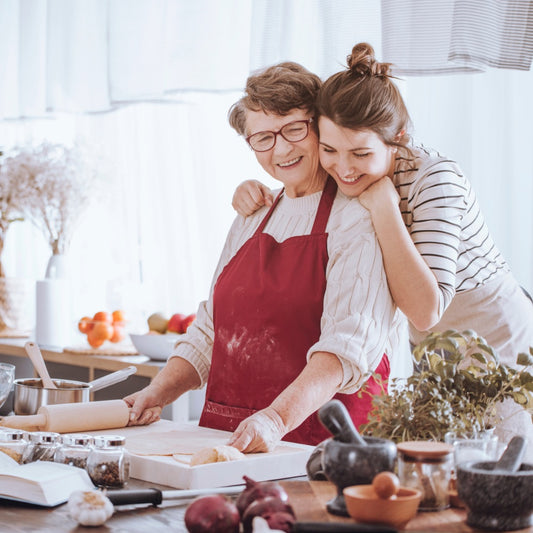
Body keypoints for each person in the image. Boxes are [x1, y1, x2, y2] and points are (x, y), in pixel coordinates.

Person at [232, 43, 533, 453]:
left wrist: (385, 206)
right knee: (437, 469)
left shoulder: (436, 179)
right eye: (330, 150)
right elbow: (301, 185)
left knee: (500, 469)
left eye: (361, 153)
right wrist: (253, 191)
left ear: (399, 139)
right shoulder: (347, 169)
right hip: (430, 347)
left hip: (494, 333)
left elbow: (426, 310)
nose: (343, 167)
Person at [124, 61, 397, 453]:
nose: (281, 149)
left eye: (294, 129)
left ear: (320, 125)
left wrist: (275, 418)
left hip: (319, 448)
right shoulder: (253, 214)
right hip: (228, 441)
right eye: (263, 138)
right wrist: (157, 393)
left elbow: (346, 348)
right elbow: (211, 330)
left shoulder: (356, 217)